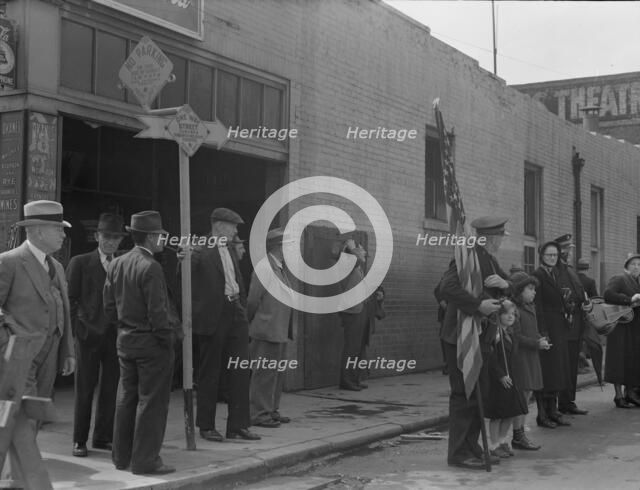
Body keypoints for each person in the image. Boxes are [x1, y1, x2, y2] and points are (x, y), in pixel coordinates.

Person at [103, 210, 176, 475]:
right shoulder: (151, 267)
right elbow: (158, 313)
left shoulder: (117, 263)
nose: (162, 240)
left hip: (125, 341)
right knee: (152, 402)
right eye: (159, 235)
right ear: (150, 237)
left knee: (126, 399)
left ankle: (120, 457)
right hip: (151, 344)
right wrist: (166, 338)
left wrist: (124, 327)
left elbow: (109, 307)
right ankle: (145, 461)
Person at [440, 216, 511, 470]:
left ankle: (471, 446)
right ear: (491, 237)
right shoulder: (467, 257)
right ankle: (459, 453)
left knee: (478, 394)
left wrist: (507, 285)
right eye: (501, 236)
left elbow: (509, 284)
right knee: (464, 395)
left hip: (480, 337)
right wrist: (478, 305)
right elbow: (445, 288)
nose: (502, 241)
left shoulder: (489, 259)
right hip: (461, 338)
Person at [188, 208, 260, 442]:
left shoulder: (229, 248)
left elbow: (236, 279)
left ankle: (238, 425)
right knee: (210, 372)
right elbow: (184, 282)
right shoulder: (199, 248)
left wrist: (240, 304)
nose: (236, 231)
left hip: (234, 311)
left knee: (240, 369)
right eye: (233, 226)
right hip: (212, 316)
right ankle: (206, 425)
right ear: (219, 226)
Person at [0, 200, 75, 399]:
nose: (64, 234)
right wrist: (8, 343)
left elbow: (64, 311)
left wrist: (68, 351)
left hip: (50, 355)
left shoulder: (57, 267)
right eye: (58, 229)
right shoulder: (9, 262)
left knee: (36, 413)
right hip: (19, 355)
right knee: (19, 417)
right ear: (40, 231)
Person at [67, 213, 126, 458]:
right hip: (88, 335)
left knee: (110, 388)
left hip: (114, 336)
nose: (111, 242)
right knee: (84, 389)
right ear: (96, 236)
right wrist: (75, 333)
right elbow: (70, 300)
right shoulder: (80, 262)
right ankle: (79, 440)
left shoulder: (123, 263)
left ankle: (102, 437)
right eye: (106, 236)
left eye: (116, 238)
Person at [248, 228, 294, 427]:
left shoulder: (279, 268)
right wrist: (252, 323)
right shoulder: (265, 268)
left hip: (278, 330)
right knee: (264, 375)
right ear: (278, 247)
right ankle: (259, 414)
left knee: (276, 374)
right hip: (267, 330)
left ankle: (271, 410)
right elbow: (252, 301)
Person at [531, 241, 572, 428]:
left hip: (559, 327)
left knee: (557, 370)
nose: (552, 258)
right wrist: (543, 332)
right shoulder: (538, 275)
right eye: (549, 255)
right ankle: (542, 414)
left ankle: (553, 410)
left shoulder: (555, 273)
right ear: (542, 256)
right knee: (546, 371)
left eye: (555, 255)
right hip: (547, 326)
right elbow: (537, 305)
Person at [337, 238, 385, 391]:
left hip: (361, 311)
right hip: (352, 312)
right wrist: (350, 246)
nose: (365, 253)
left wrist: (377, 294)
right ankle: (347, 381)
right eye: (362, 249)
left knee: (359, 347)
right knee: (352, 348)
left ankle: (356, 378)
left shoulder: (358, 269)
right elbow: (353, 259)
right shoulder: (347, 266)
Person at [484, 300, 528, 458]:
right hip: (498, 380)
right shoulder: (495, 334)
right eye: (506, 314)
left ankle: (503, 441)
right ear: (498, 315)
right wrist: (500, 374)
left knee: (510, 413)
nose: (510, 317)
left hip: (512, 379)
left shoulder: (510, 333)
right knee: (497, 414)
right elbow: (491, 358)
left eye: (513, 314)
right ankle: (493, 445)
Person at [510, 271, 548, 451]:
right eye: (530, 289)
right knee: (522, 398)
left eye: (534, 289)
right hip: (521, 357)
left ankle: (520, 433)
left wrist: (541, 339)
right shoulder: (515, 310)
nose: (533, 293)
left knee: (527, 395)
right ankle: (518, 435)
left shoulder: (530, 307)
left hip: (531, 356)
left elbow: (533, 330)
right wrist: (536, 343)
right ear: (519, 291)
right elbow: (516, 337)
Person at [554, 234, 589, 416]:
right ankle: (561, 403)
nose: (568, 252)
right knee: (562, 367)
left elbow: (579, 292)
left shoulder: (570, 270)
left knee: (572, 366)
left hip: (575, 325)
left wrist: (586, 302)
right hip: (563, 326)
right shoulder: (555, 270)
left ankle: (569, 401)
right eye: (565, 248)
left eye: (570, 248)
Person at [602, 253, 640, 408]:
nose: (637, 267)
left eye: (639, 265)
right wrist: (629, 300)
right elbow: (608, 294)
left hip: (633, 329)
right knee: (618, 361)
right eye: (633, 264)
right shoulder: (619, 278)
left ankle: (630, 393)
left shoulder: (637, 282)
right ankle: (618, 396)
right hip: (619, 327)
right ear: (626, 266)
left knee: (631, 360)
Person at [434, 276, 448, 375]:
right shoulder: (449, 276)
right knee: (445, 339)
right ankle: (448, 364)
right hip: (447, 316)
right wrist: (444, 304)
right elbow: (437, 291)